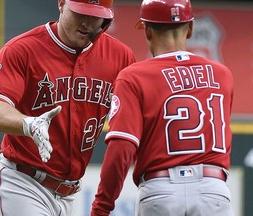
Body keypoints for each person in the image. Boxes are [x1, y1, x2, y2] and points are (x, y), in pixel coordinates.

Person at [0, 0, 136, 215]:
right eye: (80, 13)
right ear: (62, 4)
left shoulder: (121, 57)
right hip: (20, 184)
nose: (87, 23)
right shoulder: (22, 49)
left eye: (95, 15)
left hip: (68, 195)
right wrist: (28, 124)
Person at [91, 0, 234, 215]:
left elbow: (122, 147)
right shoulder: (223, 75)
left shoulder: (134, 76)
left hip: (161, 191)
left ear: (147, 30)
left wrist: (102, 206)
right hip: (213, 191)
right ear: (191, 28)